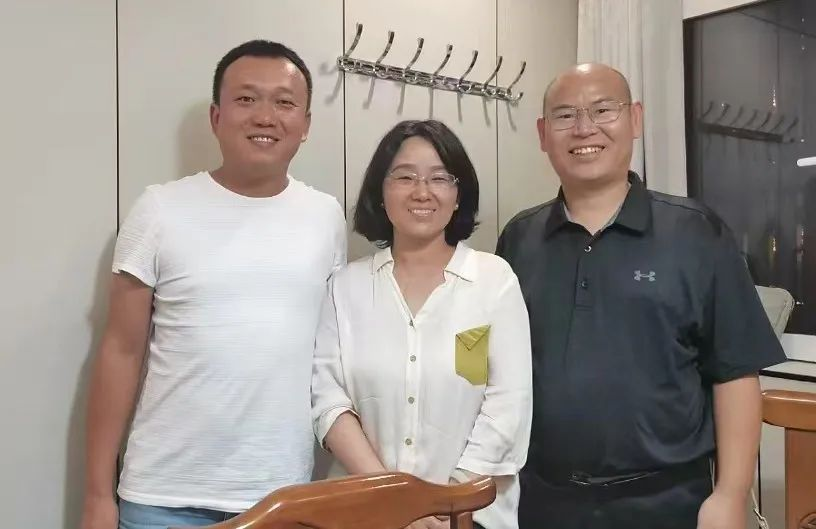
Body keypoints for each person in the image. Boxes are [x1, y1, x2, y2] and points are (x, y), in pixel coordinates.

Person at [496, 63, 787, 529]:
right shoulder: (519, 239)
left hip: (667, 502)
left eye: (602, 110)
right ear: (543, 134)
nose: (584, 128)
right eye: (565, 115)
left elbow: (734, 374)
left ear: (634, 119)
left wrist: (731, 494)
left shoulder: (696, 233)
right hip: (541, 501)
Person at [80, 40, 347, 529]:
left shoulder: (326, 217)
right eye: (246, 98)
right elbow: (120, 350)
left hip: (281, 499)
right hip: (161, 499)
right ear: (216, 116)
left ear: (306, 124)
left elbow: (330, 358)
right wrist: (98, 495)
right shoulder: (159, 209)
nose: (265, 116)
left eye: (284, 103)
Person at [311, 120, 532, 529]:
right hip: (364, 513)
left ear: (458, 194)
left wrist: (447, 502)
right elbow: (329, 402)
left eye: (439, 178)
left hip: (469, 515)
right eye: (405, 177)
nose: (422, 191)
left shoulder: (493, 281)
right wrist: (396, 501)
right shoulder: (346, 287)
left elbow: (508, 408)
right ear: (381, 192)